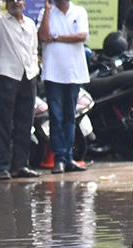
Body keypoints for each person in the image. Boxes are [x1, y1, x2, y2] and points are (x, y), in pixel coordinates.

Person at [0, 0, 41, 180]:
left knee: (25, 124)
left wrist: (34, 69)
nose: (16, 2)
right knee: (4, 124)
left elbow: (33, 49)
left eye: (19, 0)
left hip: (28, 76)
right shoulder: (0, 21)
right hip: (7, 76)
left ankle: (20, 165)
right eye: (11, 0)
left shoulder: (30, 24)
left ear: (25, 4)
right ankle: (2, 166)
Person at [38, 0, 89, 173]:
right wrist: (46, 10)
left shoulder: (79, 11)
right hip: (53, 73)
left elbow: (82, 36)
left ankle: (68, 158)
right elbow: (44, 36)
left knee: (70, 117)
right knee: (56, 117)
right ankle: (59, 158)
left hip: (74, 73)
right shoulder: (47, 13)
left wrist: (57, 38)